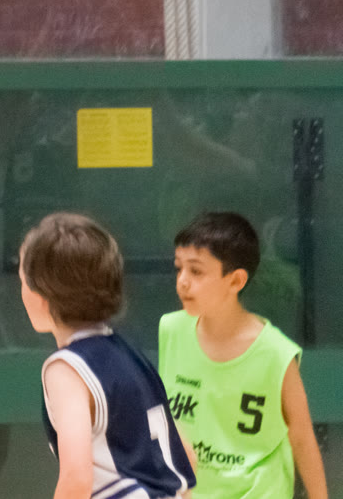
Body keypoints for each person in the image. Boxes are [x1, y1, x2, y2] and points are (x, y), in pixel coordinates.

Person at [18, 212, 195, 499]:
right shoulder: (131, 357)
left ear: (41, 296)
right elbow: (186, 456)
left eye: (23, 282)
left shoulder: (65, 370)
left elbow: (76, 478)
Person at [159, 212, 325, 499]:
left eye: (196, 271)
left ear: (236, 281)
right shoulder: (171, 329)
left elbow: (302, 437)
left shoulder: (276, 353)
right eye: (179, 268)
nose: (182, 281)